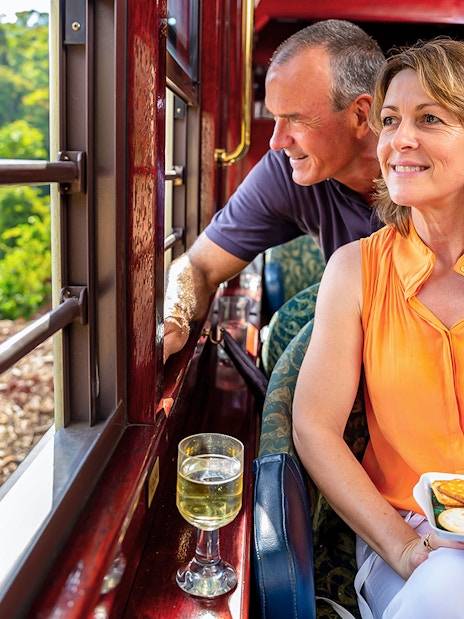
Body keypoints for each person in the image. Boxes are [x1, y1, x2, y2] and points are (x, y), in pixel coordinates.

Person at [292, 38, 464, 618]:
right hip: (409, 541)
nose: (399, 141)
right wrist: (406, 549)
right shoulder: (356, 270)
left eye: (430, 119)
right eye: (391, 121)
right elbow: (314, 428)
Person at [164, 19, 385, 361]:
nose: (276, 141)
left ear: (360, 114)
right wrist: (173, 318)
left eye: (296, 119)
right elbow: (201, 266)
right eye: (275, 117)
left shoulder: (439, 170)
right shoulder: (287, 169)